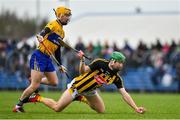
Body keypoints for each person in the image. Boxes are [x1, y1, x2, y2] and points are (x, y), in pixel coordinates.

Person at [28, 51, 146, 114]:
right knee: (57, 108)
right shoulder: (100, 63)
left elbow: (124, 94)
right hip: (77, 87)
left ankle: (81, 98)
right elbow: (83, 72)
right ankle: (37, 97)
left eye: (122, 63)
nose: (121, 65)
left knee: (101, 110)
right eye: (119, 62)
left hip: (91, 91)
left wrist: (135, 108)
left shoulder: (117, 78)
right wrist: (82, 60)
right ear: (113, 61)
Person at [13, 6, 72, 112]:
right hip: (39, 56)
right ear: (61, 15)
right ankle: (18, 105)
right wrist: (41, 36)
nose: (68, 18)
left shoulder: (62, 33)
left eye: (69, 16)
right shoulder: (54, 24)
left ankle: (33, 80)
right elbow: (45, 30)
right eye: (67, 16)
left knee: (54, 82)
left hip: (48, 58)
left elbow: (57, 50)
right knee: (35, 85)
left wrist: (60, 64)